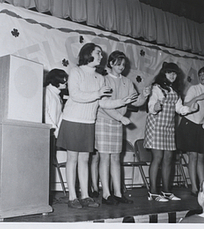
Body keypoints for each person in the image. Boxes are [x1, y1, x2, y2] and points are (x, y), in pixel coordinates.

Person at [56, 43, 138, 209]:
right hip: (72, 119)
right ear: (88, 54)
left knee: (85, 159)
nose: (102, 56)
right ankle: (73, 197)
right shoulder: (76, 71)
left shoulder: (100, 78)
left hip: (89, 121)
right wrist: (98, 93)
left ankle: (85, 196)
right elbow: (75, 95)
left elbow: (103, 102)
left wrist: (121, 102)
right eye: (98, 53)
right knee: (72, 159)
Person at [94, 51, 151, 205]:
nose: (121, 67)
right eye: (118, 64)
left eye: (124, 64)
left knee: (116, 159)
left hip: (119, 122)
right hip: (104, 121)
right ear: (111, 63)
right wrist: (120, 117)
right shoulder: (104, 80)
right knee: (105, 157)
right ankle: (106, 194)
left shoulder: (127, 82)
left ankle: (118, 193)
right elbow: (104, 105)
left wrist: (144, 96)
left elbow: (136, 102)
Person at [144, 62, 198, 202]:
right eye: (169, 72)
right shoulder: (156, 88)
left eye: (174, 73)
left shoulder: (175, 91)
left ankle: (167, 191)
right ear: (163, 73)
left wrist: (190, 109)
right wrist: (156, 106)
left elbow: (179, 109)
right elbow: (151, 107)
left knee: (169, 159)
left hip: (168, 128)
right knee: (158, 158)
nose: (172, 75)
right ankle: (153, 192)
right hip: (156, 126)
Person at [177, 66, 204, 196]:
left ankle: (202, 186)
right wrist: (199, 97)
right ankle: (193, 186)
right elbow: (186, 105)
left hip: (201, 126)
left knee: (201, 157)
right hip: (189, 123)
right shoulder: (194, 88)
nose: (202, 77)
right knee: (193, 156)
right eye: (201, 75)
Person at [44, 68, 68, 138]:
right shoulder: (46, 92)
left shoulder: (57, 95)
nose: (66, 82)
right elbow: (45, 113)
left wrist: (58, 130)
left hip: (54, 132)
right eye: (63, 80)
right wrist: (53, 128)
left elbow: (60, 114)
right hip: (48, 131)